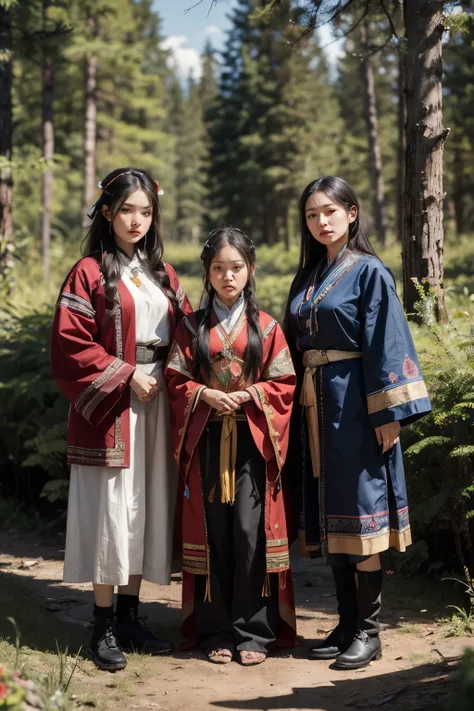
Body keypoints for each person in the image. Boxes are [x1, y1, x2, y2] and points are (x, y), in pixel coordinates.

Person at [284, 176, 431, 670]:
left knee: (362, 510)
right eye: (311, 215)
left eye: (329, 211)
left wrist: (387, 414)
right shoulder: (306, 277)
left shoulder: (370, 273)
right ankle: (346, 623)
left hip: (355, 407)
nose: (321, 221)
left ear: (352, 212)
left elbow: (387, 341)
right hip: (314, 407)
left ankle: (369, 632)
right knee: (332, 512)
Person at [51, 168, 192, 672]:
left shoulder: (164, 274)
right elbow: (71, 345)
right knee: (113, 511)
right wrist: (126, 374)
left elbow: (188, 332)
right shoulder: (88, 271)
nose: (137, 220)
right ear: (107, 212)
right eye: (127, 210)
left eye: (146, 212)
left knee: (145, 506)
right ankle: (103, 624)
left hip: (158, 403)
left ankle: (132, 616)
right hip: (113, 404)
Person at [165, 227, 297, 666]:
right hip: (205, 439)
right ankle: (216, 630)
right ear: (206, 272)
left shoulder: (267, 327)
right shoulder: (190, 327)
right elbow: (174, 379)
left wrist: (249, 395)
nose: (227, 276)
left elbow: (284, 384)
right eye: (218, 268)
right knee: (213, 533)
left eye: (236, 268)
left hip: (252, 443)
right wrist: (203, 395)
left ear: (251, 270)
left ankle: (253, 632)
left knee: (248, 531)